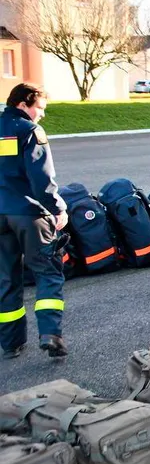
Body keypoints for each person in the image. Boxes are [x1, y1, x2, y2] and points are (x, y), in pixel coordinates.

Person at [0, 83, 68, 359]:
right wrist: (58, 208)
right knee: (48, 272)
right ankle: (51, 335)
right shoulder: (30, 131)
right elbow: (41, 180)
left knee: (6, 278)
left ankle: (10, 343)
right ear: (24, 104)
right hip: (29, 214)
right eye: (40, 108)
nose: (42, 115)